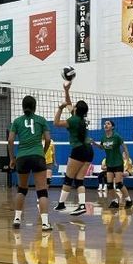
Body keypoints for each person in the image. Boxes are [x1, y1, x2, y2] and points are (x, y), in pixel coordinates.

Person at [7, 95, 52, 232]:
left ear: (22, 106)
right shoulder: (41, 120)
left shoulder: (17, 121)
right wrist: (42, 152)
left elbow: (10, 140)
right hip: (38, 155)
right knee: (42, 190)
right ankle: (45, 223)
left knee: (22, 189)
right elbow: (48, 139)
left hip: (22, 157)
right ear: (35, 106)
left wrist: (12, 158)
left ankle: (17, 219)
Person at [54, 80, 93, 216]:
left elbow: (56, 123)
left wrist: (60, 108)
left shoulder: (73, 120)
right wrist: (66, 91)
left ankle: (61, 204)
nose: (73, 106)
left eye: (75, 106)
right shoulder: (80, 119)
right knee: (79, 179)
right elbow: (70, 104)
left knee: (68, 178)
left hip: (79, 150)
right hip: (89, 150)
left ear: (77, 110)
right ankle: (81, 205)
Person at [94, 119, 133, 210]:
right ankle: (114, 201)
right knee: (109, 185)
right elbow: (101, 147)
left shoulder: (116, 136)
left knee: (119, 183)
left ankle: (129, 200)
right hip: (109, 164)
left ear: (112, 127)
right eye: (105, 124)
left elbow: (125, 148)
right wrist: (93, 143)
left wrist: (127, 160)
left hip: (118, 163)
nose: (106, 125)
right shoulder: (104, 138)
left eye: (108, 124)